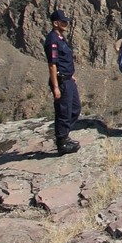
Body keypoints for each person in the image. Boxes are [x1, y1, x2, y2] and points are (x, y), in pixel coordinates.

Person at [44, 9, 80, 155]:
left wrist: (70, 75)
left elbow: (63, 61)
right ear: (55, 23)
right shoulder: (52, 40)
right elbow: (52, 65)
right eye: (63, 22)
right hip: (61, 81)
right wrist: (56, 87)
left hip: (68, 78)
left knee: (75, 109)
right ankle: (62, 142)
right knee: (63, 112)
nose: (66, 24)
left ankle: (64, 135)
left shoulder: (61, 38)